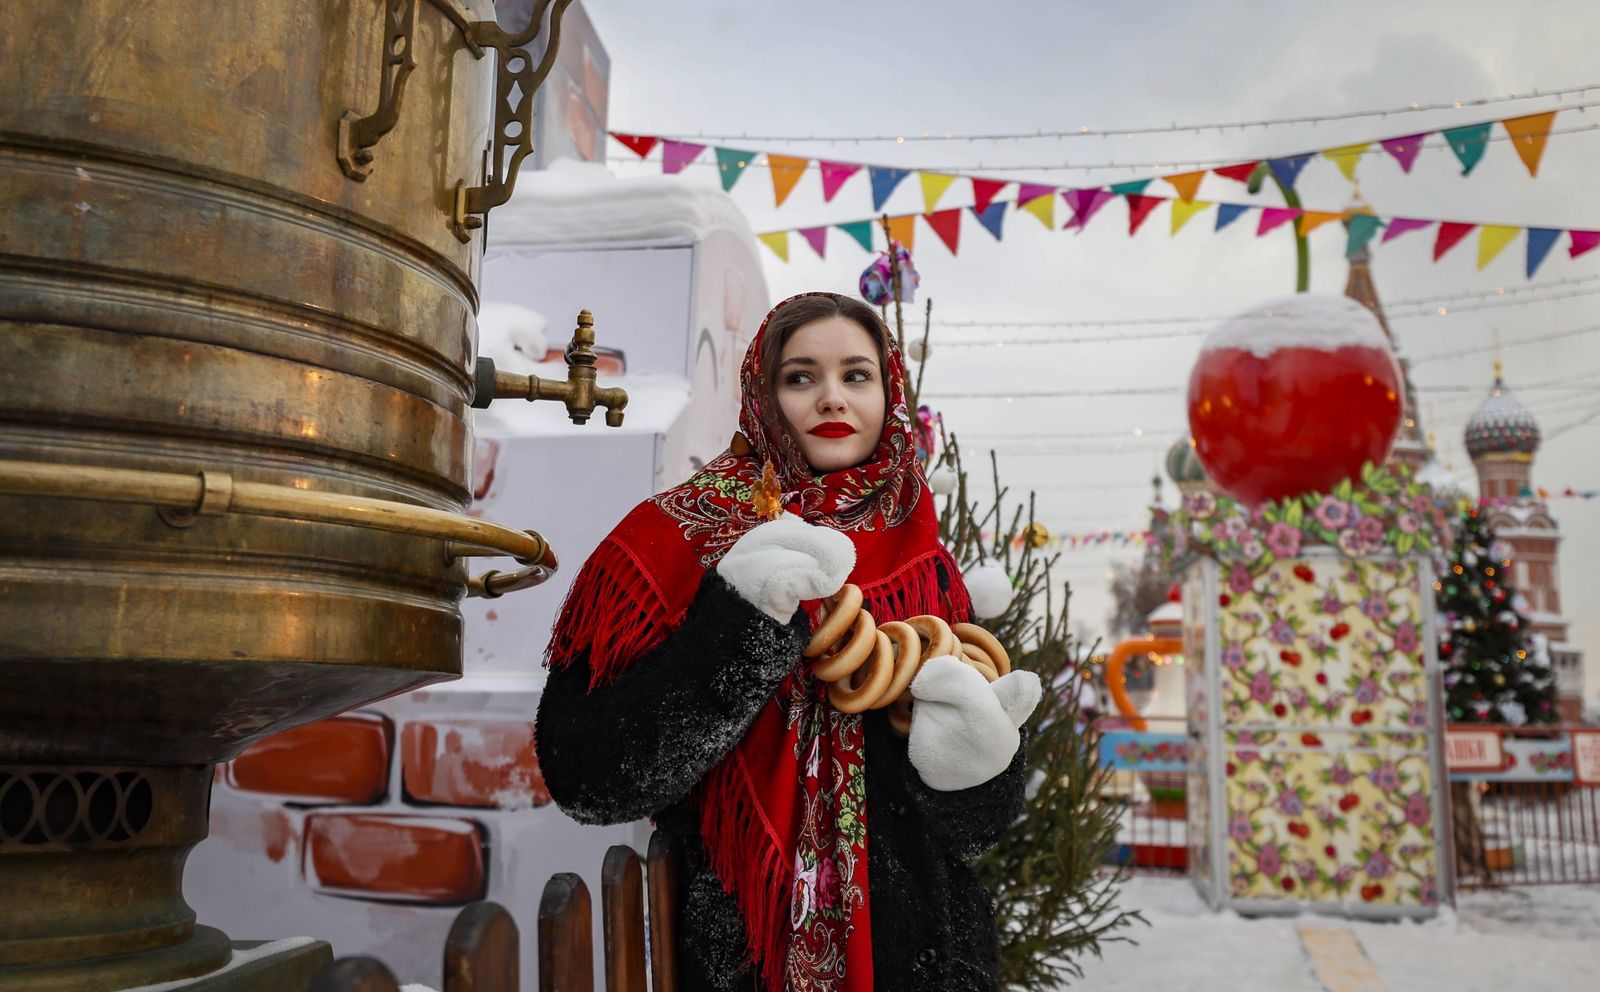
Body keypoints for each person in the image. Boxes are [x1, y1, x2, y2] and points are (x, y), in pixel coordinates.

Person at [535, 292, 1040, 992]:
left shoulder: (929, 567)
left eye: (856, 376)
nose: (832, 398)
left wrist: (978, 770)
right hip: (741, 963)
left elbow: (973, 836)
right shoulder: (681, 539)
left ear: (890, 394)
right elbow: (587, 779)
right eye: (800, 377)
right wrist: (736, 624)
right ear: (763, 395)